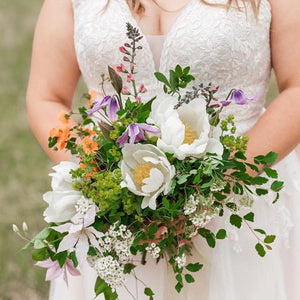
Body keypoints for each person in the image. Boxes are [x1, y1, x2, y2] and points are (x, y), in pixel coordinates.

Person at [26, 0, 300, 299]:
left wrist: (214, 187)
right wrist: (101, 180)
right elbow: (47, 97)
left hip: (240, 195)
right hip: (114, 213)